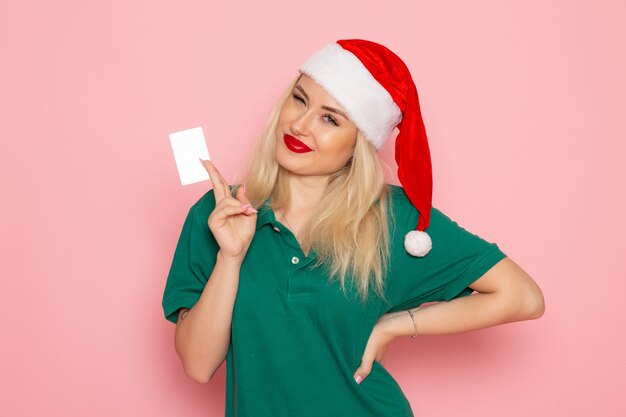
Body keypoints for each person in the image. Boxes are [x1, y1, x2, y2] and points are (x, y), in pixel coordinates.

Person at [161, 39, 545, 417]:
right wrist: (230, 257)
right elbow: (197, 366)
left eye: (330, 119)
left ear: (358, 142)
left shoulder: (393, 220)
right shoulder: (218, 214)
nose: (300, 124)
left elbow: (523, 296)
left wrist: (396, 325)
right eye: (299, 99)